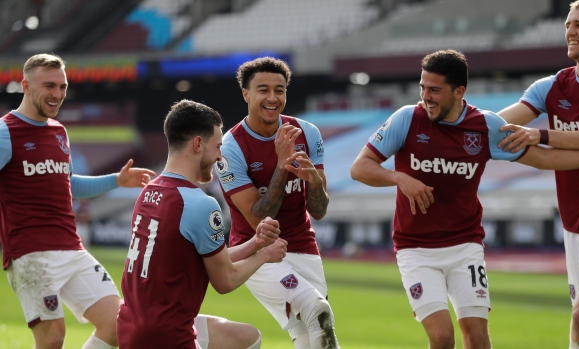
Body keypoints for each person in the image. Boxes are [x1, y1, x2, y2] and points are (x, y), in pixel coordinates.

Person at [349, 49, 579, 349]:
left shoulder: (484, 126)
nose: (426, 97)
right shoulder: (407, 118)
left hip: (465, 246)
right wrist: (398, 177)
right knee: (441, 337)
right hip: (415, 248)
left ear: (459, 91)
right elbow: (360, 168)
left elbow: (543, 159)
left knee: (477, 338)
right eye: (423, 88)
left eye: (435, 90)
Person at [0, 53, 156, 349]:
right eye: (49, 86)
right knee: (53, 339)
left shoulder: (59, 132)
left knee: (120, 325)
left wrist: (117, 180)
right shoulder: (5, 132)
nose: (57, 94)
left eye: (63, 86)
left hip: (72, 248)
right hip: (31, 254)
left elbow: (67, 184)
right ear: (26, 86)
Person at [116, 99, 288, 349]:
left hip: (132, 323)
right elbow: (225, 280)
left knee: (247, 338)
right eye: (218, 146)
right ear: (198, 144)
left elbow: (206, 261)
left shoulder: (148, 192)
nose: (220, 156)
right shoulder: (199, 203)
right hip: (166, 335)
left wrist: (256, 244)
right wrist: (265, 256)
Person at [497, 1, 579, 348]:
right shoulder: (549, 87)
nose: (570, 30)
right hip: (575, 225)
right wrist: (463, 123)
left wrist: (542, 134)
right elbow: (500, 125)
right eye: (568, 24)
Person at [214, 57, 340, 349]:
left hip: (303, 244)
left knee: (309, 335)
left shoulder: (307, 133)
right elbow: (260, 220)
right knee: (318, 310)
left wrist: (314, 182)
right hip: (255, 248)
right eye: (263, 90)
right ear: (246, 94)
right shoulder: (230, 148)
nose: (273, 98)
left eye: (280, 90)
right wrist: (282, 166)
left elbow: (319, 211)